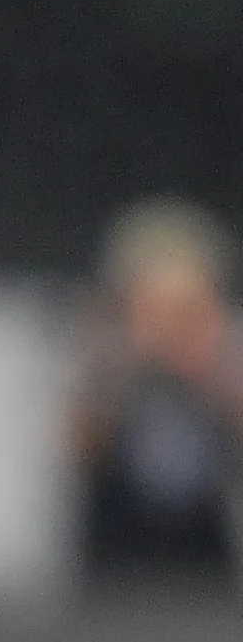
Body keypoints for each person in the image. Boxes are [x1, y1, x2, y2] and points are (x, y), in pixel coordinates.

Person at [70, 199, 243, 598]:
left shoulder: (225, 353)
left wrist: (205, 373)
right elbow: (78, 452)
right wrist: (123, 373)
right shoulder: (102, 351)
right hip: (117, 543)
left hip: (201, 542)